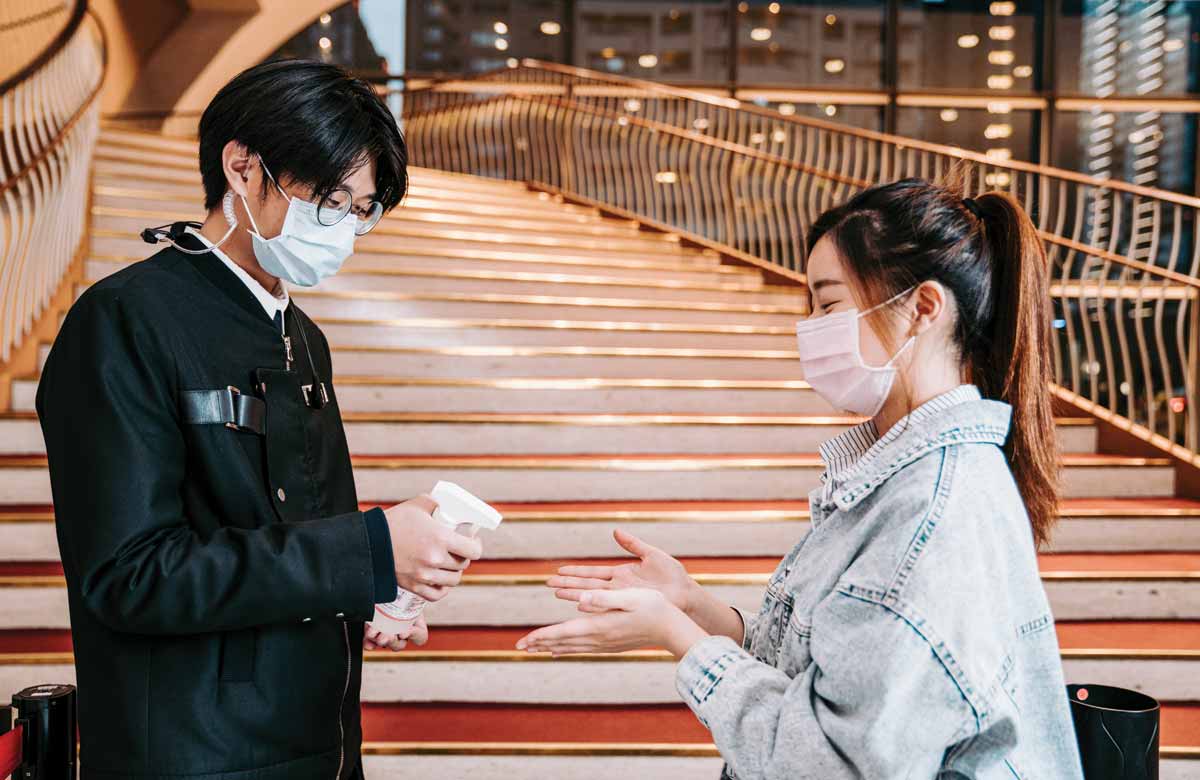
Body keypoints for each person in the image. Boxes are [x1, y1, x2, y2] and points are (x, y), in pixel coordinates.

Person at [518, 178, 1085, 778]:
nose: (809, 327)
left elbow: (831, 761)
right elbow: (819, 671)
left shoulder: (931, 508)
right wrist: (692, 605)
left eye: (829, 303)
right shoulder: (899, 480)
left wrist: (676, 634)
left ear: (922, 309)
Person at [36, 60, 483, 779]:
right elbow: (129, 576)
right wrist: (363, 551)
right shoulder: (124, 322)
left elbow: (292, 538)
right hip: (196, 755)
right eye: (327, 198)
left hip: (320, 742)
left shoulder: (303, 338)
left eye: (359, 209)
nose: (340, 228)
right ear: (241, 168)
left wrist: (376, 587)